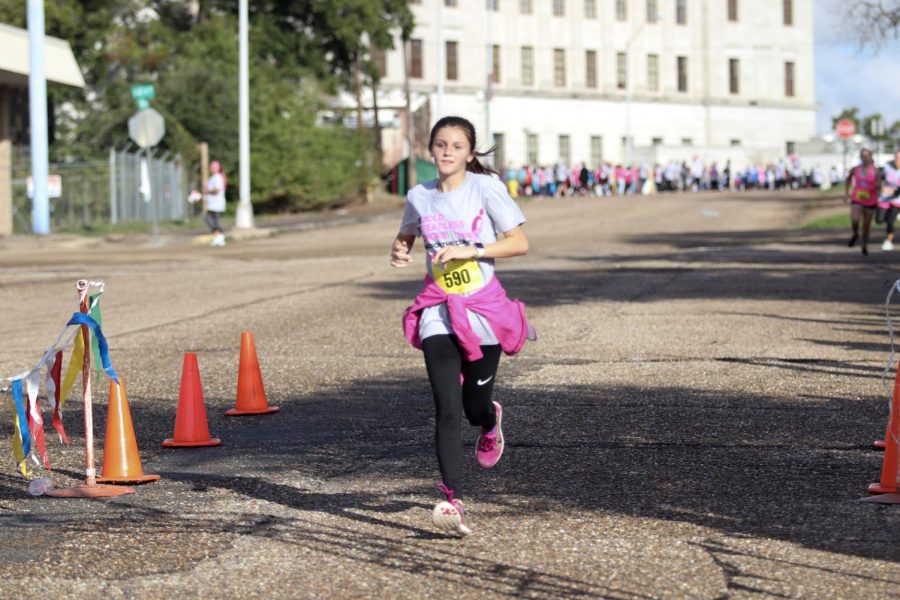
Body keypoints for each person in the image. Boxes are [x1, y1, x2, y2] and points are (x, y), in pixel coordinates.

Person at [389, 116, 534, 536]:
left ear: (470, 153)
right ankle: (452, 500)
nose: (448, 151)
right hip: (438, 309)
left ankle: (490, 421)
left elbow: (520, 242)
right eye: (440, 144)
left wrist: (474, 249)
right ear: (431, 150)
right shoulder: (419, 195)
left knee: (473, 407)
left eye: (456, 145)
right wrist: (399, 251)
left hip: (484, 311)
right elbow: (406, 236)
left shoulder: (485, 188)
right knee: (446, 407)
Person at [844, 149, 882, 256]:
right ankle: (855, 233)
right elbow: (847, 180)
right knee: (855, 219)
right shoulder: (855, 169)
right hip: (857, 198)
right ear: (860, 157)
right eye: (863, 156)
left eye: (867, 156)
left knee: (866, 225)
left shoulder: (875, 171)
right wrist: (846, 193)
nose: (865, 158)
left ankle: (864, 246)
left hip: (871, 199)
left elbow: (879, 184)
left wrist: (878, 188)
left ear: (870, 157)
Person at [876, 150, 900, 251]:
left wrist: (894, 191)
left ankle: (888, 241)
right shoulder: (887, 167)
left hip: (897, 199)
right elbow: (879, 178)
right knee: (879, 220)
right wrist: (881, 187)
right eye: (897, 157)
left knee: (890, 221)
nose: (898, 160)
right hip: (884, 198)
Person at [205, 160, 227, 247]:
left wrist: (208, 191)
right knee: (212, 219)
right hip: (213, 203)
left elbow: (217, 190)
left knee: (211, 219)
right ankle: (218, 236)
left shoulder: (217, 177)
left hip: (216, 203)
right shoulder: (214, 177)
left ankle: (219, 236)